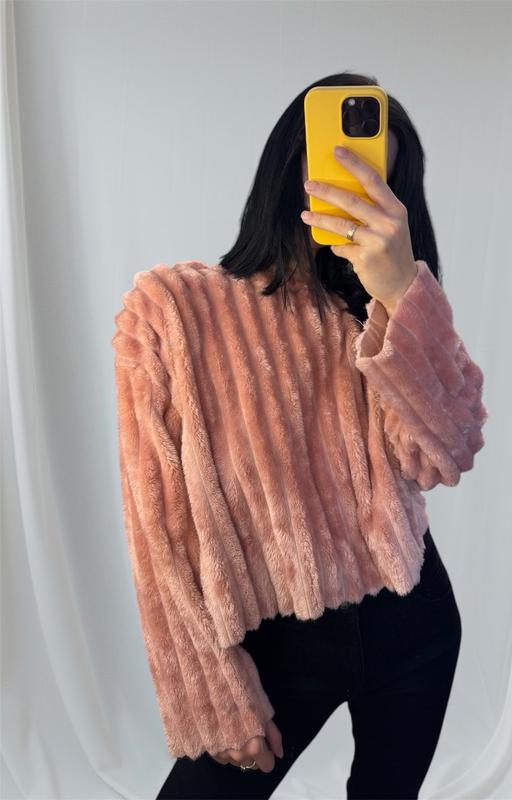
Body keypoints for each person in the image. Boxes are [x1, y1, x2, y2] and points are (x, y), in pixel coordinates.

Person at [112, 71, 488, 800]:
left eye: (380, 181)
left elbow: (446, 452)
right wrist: (211, 693)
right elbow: (157, 531)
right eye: (339, 166)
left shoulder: (382, 316)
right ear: (290, 164)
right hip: (278, 643)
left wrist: (400, 290)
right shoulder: (173, 312)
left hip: (414, 626)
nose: (357, 193)